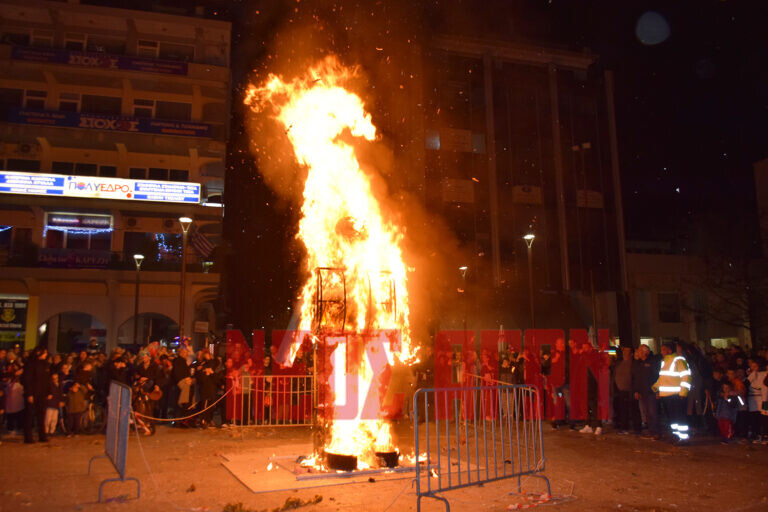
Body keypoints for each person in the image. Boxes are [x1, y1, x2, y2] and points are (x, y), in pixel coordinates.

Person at [652, 342, 692, 443]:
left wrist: (683, 392)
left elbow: (686, 376)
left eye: (664, 349)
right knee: (672, 418)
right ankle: (676, 435)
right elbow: (663, 378)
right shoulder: (664, 361)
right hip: (666, 396)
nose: (662, 352)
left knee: (679, 418)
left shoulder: (678, 360)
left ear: (670, 350)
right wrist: (656, 387)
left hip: (676, 395)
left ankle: (683, 438)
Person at [21, 346, 51, 443]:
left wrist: (49, 391)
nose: (46, 355)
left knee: (41, 415)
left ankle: (42, 435)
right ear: (39, 353)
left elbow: (47, 379)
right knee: (29, 415)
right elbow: (27, 380)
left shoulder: (45, 364)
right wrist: (29, 394)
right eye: (44, 353)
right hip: (33, 393)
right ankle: (28, 437)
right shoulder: (30, 364)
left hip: (42, 393)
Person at [634, 345, 660, 438]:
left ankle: (655, 431)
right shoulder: (638, 363)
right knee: (646, 413)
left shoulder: (653, 362)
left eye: (640, 351)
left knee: (653, 412)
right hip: (642, 392)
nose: (638, 353)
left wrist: (657, 391)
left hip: (651, 392)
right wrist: (637, 390)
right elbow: (636, 378)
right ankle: (650, 430)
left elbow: (657, 377)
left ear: (646, 352)